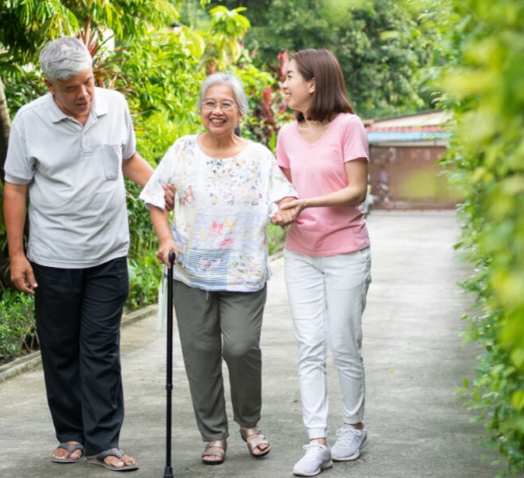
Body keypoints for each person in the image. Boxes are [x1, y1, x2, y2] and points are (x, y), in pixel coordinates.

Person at [3, 36, 172, 472]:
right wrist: (17, 255)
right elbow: (16, 188)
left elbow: (128, 160)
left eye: (89, 82)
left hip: (107, 254)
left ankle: (105, 441)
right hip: (52, 257)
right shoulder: (29, 121)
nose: (84, 95)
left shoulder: (113, 106)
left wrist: (163, 189)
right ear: (49, 86)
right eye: (71, 88)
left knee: (100, 349)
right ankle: (71, 436)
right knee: (60, 350)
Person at [140, 72, 297, 466]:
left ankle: (249, 422)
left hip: (243, 272)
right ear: (200, 109)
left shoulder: (259, 156)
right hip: (191, 272)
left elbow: (287, 196)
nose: (217, 110)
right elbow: (156, 197)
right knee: (200, 353)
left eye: (226, 103)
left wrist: (283, 211)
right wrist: (164, 240)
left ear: (240, 111)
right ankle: (214, 435)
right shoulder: (182, 151)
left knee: (242, 348)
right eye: (210, 103)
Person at [272, 48, 372, 477]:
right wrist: (280, 209)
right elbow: (280, 188)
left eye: (290, 76)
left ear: (313, 83)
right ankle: (316, 440)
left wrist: (306, 201)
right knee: (309, 346)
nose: (283, 83)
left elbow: (357, 190)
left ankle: (353, 426)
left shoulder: (349, 126)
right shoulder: (284, 134)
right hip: (300, 254)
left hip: (346, 250)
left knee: (343, 343)